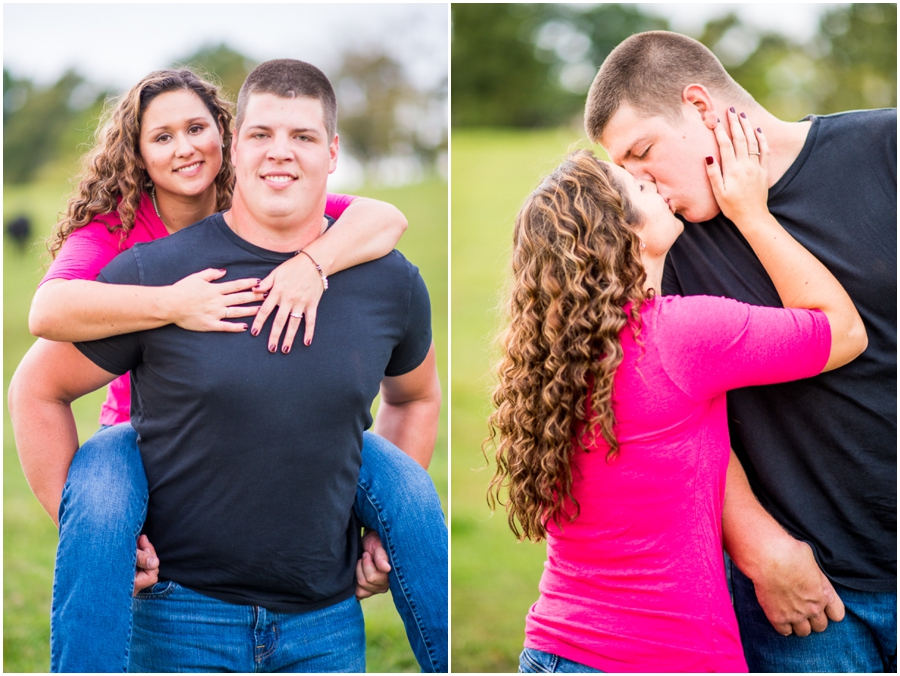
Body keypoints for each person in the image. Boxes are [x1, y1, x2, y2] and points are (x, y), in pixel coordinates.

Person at [9, 63, 446, 672]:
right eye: (161, 137)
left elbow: (384, 219)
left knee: (410, 497)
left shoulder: (306, 212)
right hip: (139, 436)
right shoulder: (126, 238)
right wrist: (174, 303)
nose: (185, 148)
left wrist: (314, 264)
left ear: (222, 138)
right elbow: (47, 315)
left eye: (195, 129)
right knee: (102, 512)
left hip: (318, 604)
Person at [489, 103, 867, 672]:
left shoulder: (556, 358)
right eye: (637, 187)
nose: (656, 188)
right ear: (618, 233)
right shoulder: (681, 334)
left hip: (556, 646)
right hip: (664, 656)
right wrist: (752, 213)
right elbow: (843, 332)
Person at [584, 31, 896, 672]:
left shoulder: (885, 149)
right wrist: (757, 546)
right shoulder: (659, 238)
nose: (641, 186)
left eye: (643, 154)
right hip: (806, 587)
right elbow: (668, 407)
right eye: (625, 171)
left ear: (699, 106)